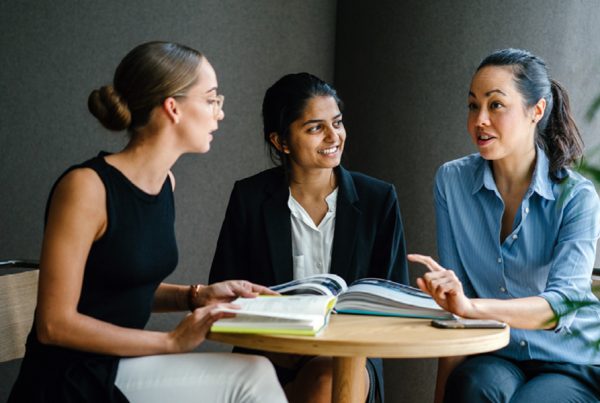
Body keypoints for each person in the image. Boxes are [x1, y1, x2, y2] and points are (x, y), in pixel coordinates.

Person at [8, 41, 287, 403]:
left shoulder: (165, 184)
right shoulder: (86, 188)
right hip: (70, 379)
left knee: (254, 372)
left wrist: (197, 296)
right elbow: (53, 324)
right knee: (253, 376)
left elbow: (120, 287)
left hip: (122, 366)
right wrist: (171, 341)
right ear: (173, 107)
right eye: (211, 99)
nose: (219, 113)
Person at [409, 48, 600, 402]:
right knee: (469, 388)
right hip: (498, 354)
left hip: (572, 361)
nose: (480, 119)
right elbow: (456, 305)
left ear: (536, 111)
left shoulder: (577, 197)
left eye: (496, 105)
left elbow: (561, 306)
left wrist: (471, 308)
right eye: (472, 106)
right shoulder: (451, 182)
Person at [209, 72, 409, 403]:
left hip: (348, 357)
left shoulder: (379, 199)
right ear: (280, 141)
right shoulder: (250, 197)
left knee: (324, 380)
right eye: (315, 128)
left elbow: (393, 299)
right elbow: (224, 292)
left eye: (338, 123)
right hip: (270, 354)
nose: (334, 136)